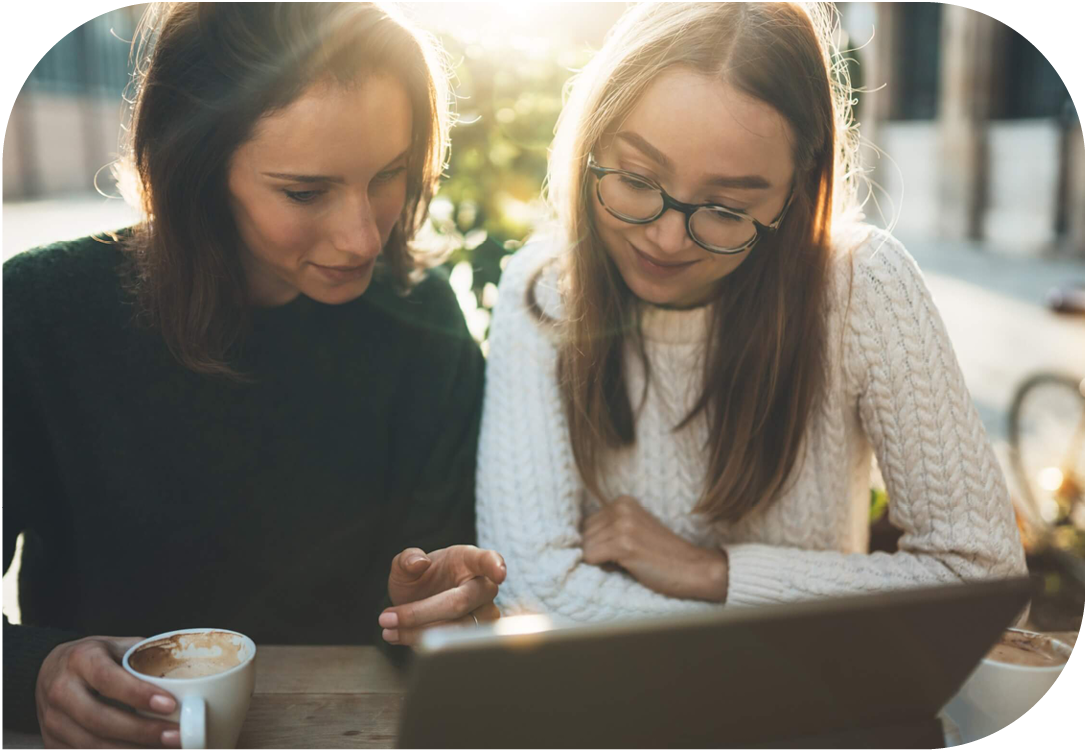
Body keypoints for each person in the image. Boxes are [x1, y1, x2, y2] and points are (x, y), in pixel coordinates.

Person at [3, 3, 504, 746]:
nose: (363, 236)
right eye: (305, 192)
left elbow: (438, 615)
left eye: (389, 174)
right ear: (196, 170)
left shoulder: (424, 324)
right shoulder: (42, 313)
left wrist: (438, 605)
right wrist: (34, 672)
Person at [476, 2, 1027, 622]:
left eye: (727, 210)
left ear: (795, 195)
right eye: (635, 179)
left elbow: (985, 585)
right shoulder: (545, 292)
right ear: (589, 146)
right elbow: (531, 588)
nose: (666, 239)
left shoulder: (863, 290)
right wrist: (781, 623)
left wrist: (714, 574)